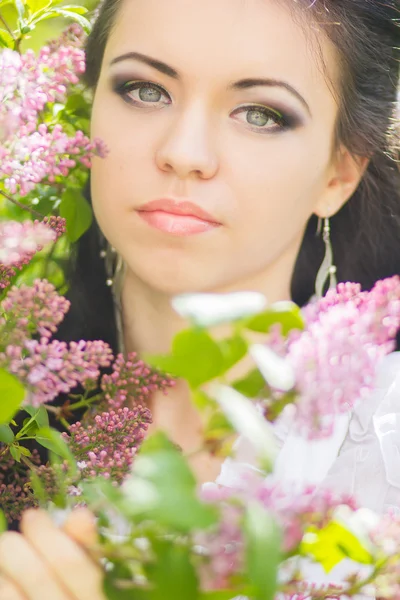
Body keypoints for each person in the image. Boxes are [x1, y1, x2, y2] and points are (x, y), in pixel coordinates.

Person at [1, 0, 400, 597]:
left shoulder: (382, 454)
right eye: (144, 90)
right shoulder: (19, 396)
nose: (184, 153)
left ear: (338, 173)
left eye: (261, 114)